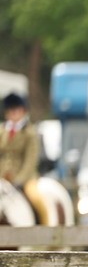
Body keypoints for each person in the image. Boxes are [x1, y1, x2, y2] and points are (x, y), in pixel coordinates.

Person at [0, 92, 48, 225]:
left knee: (35, 197)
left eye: (16, 110)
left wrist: (19, 180)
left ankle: (46, 226)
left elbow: (30, 161)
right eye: (11, 110)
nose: (13, 113)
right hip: (3, 178)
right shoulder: (2, 131)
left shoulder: (30, 133)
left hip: (24, 178)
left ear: (23, 111)